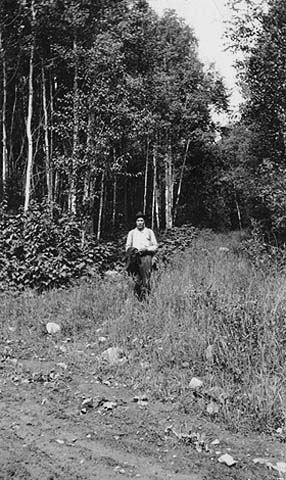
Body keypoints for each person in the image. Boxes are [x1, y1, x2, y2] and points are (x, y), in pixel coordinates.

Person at [125, 211, 158, 300]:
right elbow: (127, 246)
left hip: (146, 257)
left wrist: (147, 249)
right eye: (138, 221)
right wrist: (133, 250)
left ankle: (147, 299)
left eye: (141, 220)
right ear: (136, 222)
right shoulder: (131, 233)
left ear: (144, 222)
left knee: (146, 279)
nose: (140, 222)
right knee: (136, 279)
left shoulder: (149, 232)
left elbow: (155, 246)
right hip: (135, 258)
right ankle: (137, 299)